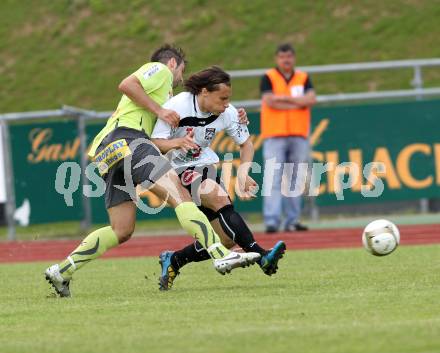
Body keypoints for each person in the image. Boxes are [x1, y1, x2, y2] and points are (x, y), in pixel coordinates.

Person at [44, 45, 260, 298]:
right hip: (130, 139)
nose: (180, 79)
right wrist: (159, 110)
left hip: (106, 152)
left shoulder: (163, 95)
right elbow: (126, 84)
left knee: (121, 229)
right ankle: (219, 253)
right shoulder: (160, 70)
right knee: (181, 195)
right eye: (181, 71)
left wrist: (236, 114)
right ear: (173, 63)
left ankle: (62, 271)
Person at [151, 66, 286, 290]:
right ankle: (261, 255)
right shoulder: (178, 106)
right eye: (222, 98)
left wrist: (243, 173)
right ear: (204, 92)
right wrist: (177, 143)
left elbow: (246, 144)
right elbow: (156, 143)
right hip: (175, 169)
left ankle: (174, 260)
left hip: (205, 165)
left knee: (226, 240)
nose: (226, 104)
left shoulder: (228, 112)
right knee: (218, 197)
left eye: (228, 99)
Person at [260, 43, 316, 233]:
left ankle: (292, 221)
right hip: (275, 134)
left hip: (298, 134)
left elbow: (311, 99)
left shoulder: (303, 77)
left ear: (294, 58)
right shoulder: (269, 77)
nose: (286, 60)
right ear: (277, 59)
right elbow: (270, 101)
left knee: (294, 180)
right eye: (283, 57)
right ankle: (272, 221)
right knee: (274, 178)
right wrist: (298, 103)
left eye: (289, 57)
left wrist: (283, 99)